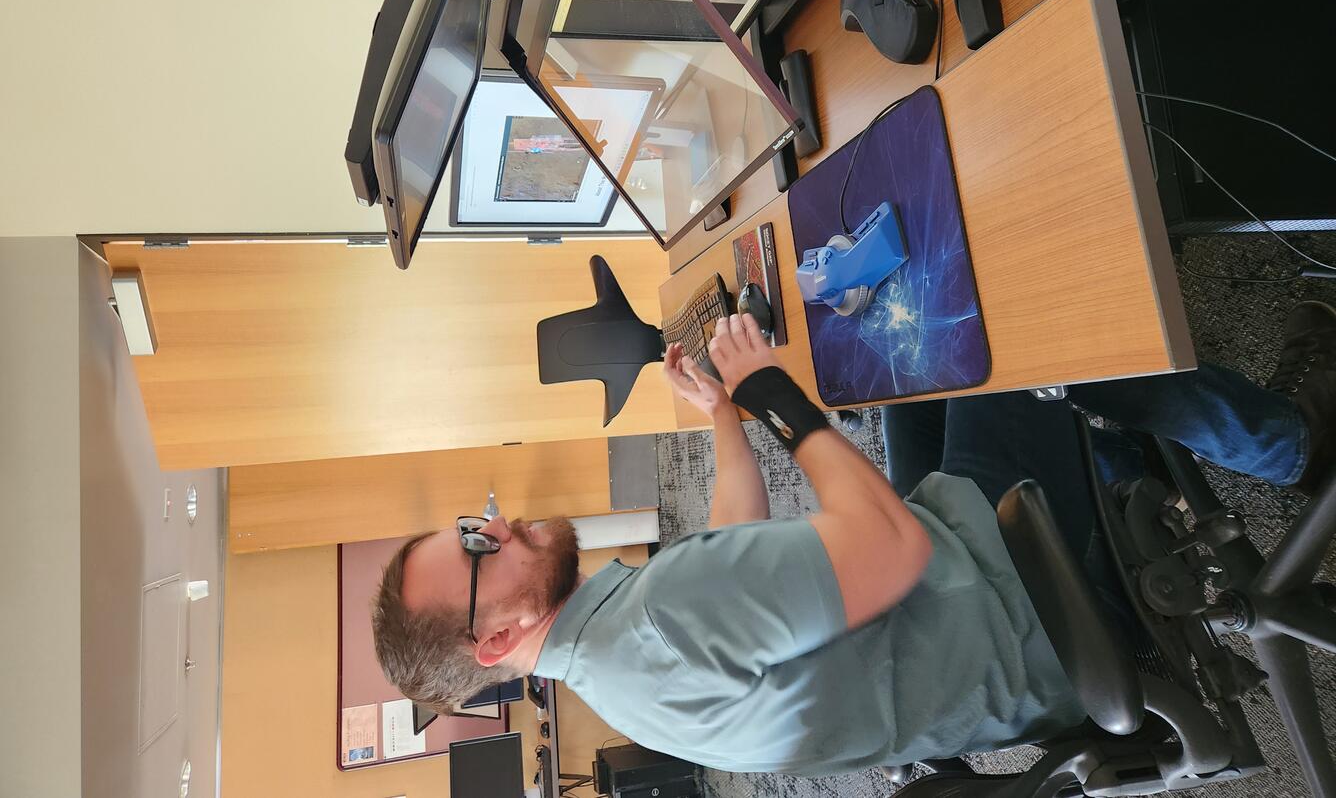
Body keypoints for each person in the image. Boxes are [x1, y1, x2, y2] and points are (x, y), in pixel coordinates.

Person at [372, 301, 1335, 777]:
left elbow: (732, 547)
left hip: (970, 628)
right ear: (493, 643)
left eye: (471, 526)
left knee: (908, 377)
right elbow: (891, 555)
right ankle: (1292, 443)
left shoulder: (611, 659)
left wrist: (720, 415)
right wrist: (775, 398)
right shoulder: (656, 627)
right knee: (1009, 331)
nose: (494, 526)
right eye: (477, 555)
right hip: (1027, 600)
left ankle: (1118, 460)